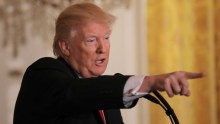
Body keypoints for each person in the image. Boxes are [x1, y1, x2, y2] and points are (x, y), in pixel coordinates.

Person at [13, 2, 204, 124]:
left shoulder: (108, 99)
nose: (102, 48)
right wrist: (149, 82)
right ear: (65, 47)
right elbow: (76, 93)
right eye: (91, 40)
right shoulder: (43, 75)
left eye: (106, 38)